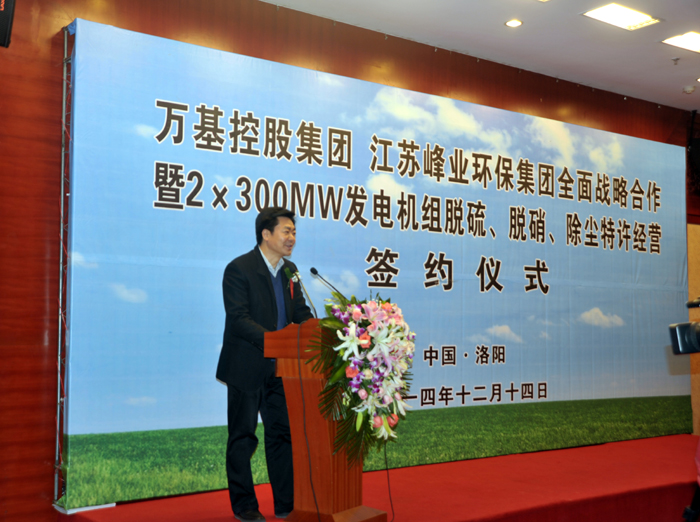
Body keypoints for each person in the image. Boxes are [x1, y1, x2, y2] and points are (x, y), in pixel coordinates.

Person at [216, 207, 313, 521]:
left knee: (282, 434)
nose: (292, 237)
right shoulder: (239, 269)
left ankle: (286, 504)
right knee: (243, 437)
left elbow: (300, 313)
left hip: (281, 369)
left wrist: (317, 331)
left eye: (294, 232)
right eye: (286, 231)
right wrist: (273, 340)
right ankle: (244, 505)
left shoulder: (290, 271)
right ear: (266, 234)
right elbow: (238, 318)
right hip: (246, 366)